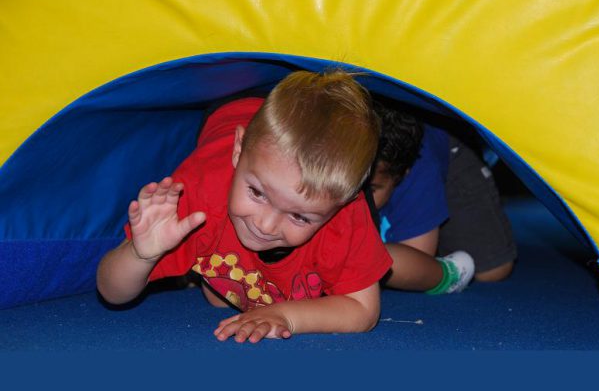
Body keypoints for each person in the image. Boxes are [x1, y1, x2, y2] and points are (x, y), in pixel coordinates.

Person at [97, 70, 392, 344]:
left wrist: (287, 316)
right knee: (219, 293)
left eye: (300, 216)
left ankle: (437, 271)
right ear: (238, 151)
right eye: (257, 193)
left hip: (314, 171)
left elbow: (363, 310)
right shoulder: (196, 196)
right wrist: (139, 254)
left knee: (382, 264)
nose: (265, 225)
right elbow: (111, 291)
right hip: (235, 97)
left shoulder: (344, 215)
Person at [369, 101, 516, 294]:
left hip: (447, 144)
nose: (357, 198)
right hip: (380, 138)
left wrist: (352, 255)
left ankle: (432, 220)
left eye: (370, 190)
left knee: (492, 270)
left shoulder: (418, 167)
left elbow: (417, 257)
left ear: (402, 175)